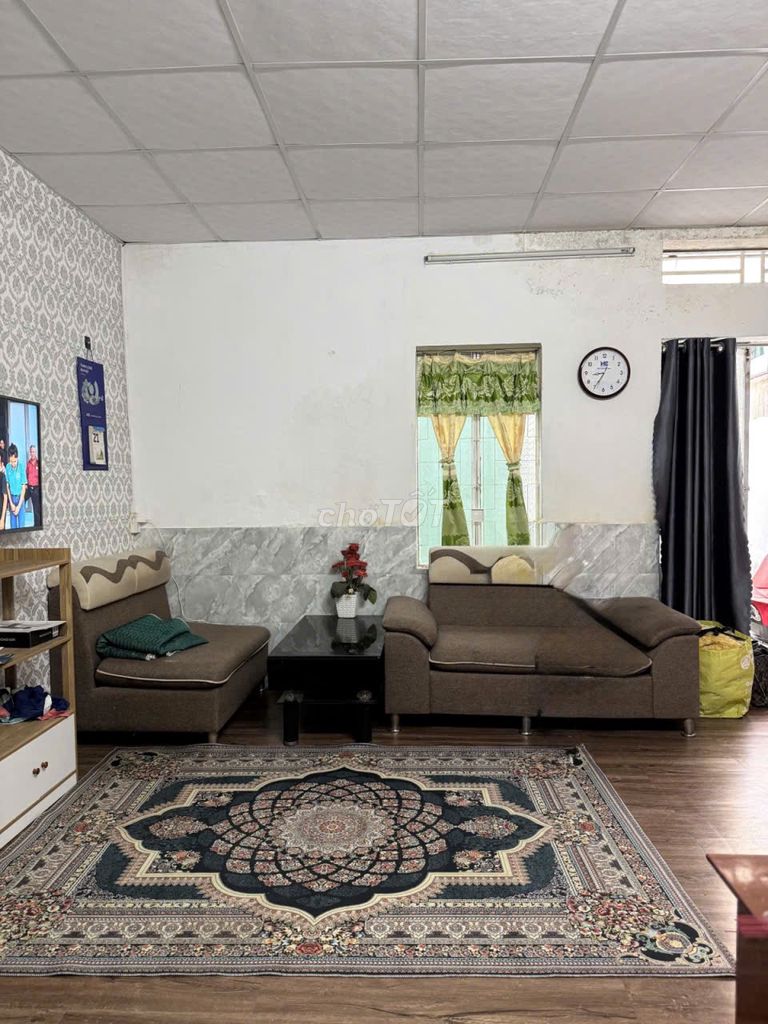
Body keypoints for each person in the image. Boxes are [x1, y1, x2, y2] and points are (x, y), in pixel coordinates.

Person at [5, 444, 27, 529]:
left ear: (17, 457)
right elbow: (7, 486)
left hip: (20, 499)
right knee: (13, 527)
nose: (13, 464)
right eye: (11, 461)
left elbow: (23, 487)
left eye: (14, 461)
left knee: (21, 527)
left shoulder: (21, 466)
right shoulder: (8, 467)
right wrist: (11, 503)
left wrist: (18, 506)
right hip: (12, 499)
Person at [26, 444, 41, 527]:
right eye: (31, 452)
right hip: (29, 487)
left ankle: (37, 525)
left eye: (34, 452)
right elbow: (26, 474)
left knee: (36, 509)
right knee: (20, 500)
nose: (32, 453)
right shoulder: (28, 463)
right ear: (30, 452)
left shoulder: (39, 463)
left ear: (36, 453)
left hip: (36, 488)